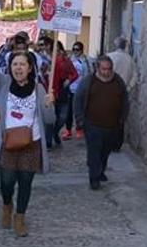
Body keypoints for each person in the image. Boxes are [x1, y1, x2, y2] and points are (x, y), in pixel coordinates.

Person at [0, 38, 54, 237]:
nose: (18, 68)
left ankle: (20, 217)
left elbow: (49, 120)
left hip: (32, 143)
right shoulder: (4, 84)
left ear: (30, 68)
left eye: (23, 64)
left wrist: (49, 104)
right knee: (6, 182)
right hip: (8, 142)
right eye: (15, 64)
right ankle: (7, 204)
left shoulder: (39, 89)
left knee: (25, 182)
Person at [73, 55, 129, 190]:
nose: (106, 72)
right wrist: (80, 120)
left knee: (105, 151)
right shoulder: (88, 81)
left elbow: (125, 100)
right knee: (94, 151)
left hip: (112, 125)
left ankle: (100, 170)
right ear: (97, 68)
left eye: (109, 69)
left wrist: (122, 119)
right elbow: (78, 99)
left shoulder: (118, 81)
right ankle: (94, 177)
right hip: (92, 125)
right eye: (103, 69)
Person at [45, 41, 79, 149]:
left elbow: (74, 74)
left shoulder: (65, 60)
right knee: (50, 118)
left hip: (63, 91)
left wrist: (69, 80)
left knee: (62, 117)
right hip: (49, 91)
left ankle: (55, 132)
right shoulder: (46, 60)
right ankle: (48, 140)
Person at [63, 41, 93, 141]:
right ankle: (68, 130)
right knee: (69, 110)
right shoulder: (70, 59)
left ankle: (80, 128)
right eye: (74, 49)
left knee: (80, 110)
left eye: (77, 49)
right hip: (71, 88)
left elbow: (89, 73)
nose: (75, 51)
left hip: (81, 89)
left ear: (81, 50)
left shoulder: (86, 60)